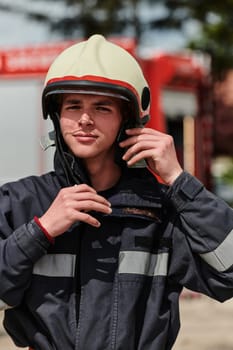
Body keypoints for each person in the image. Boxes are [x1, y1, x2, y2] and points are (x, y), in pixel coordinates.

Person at [0, 34, 233, 350]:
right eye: (73, 105)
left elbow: (228, 275)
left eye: (102, 107)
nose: (84, 119)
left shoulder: (162, 213)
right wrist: (39, 232)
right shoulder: (20, 203)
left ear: (128, 119)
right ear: (56, 115)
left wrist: (180, 182)